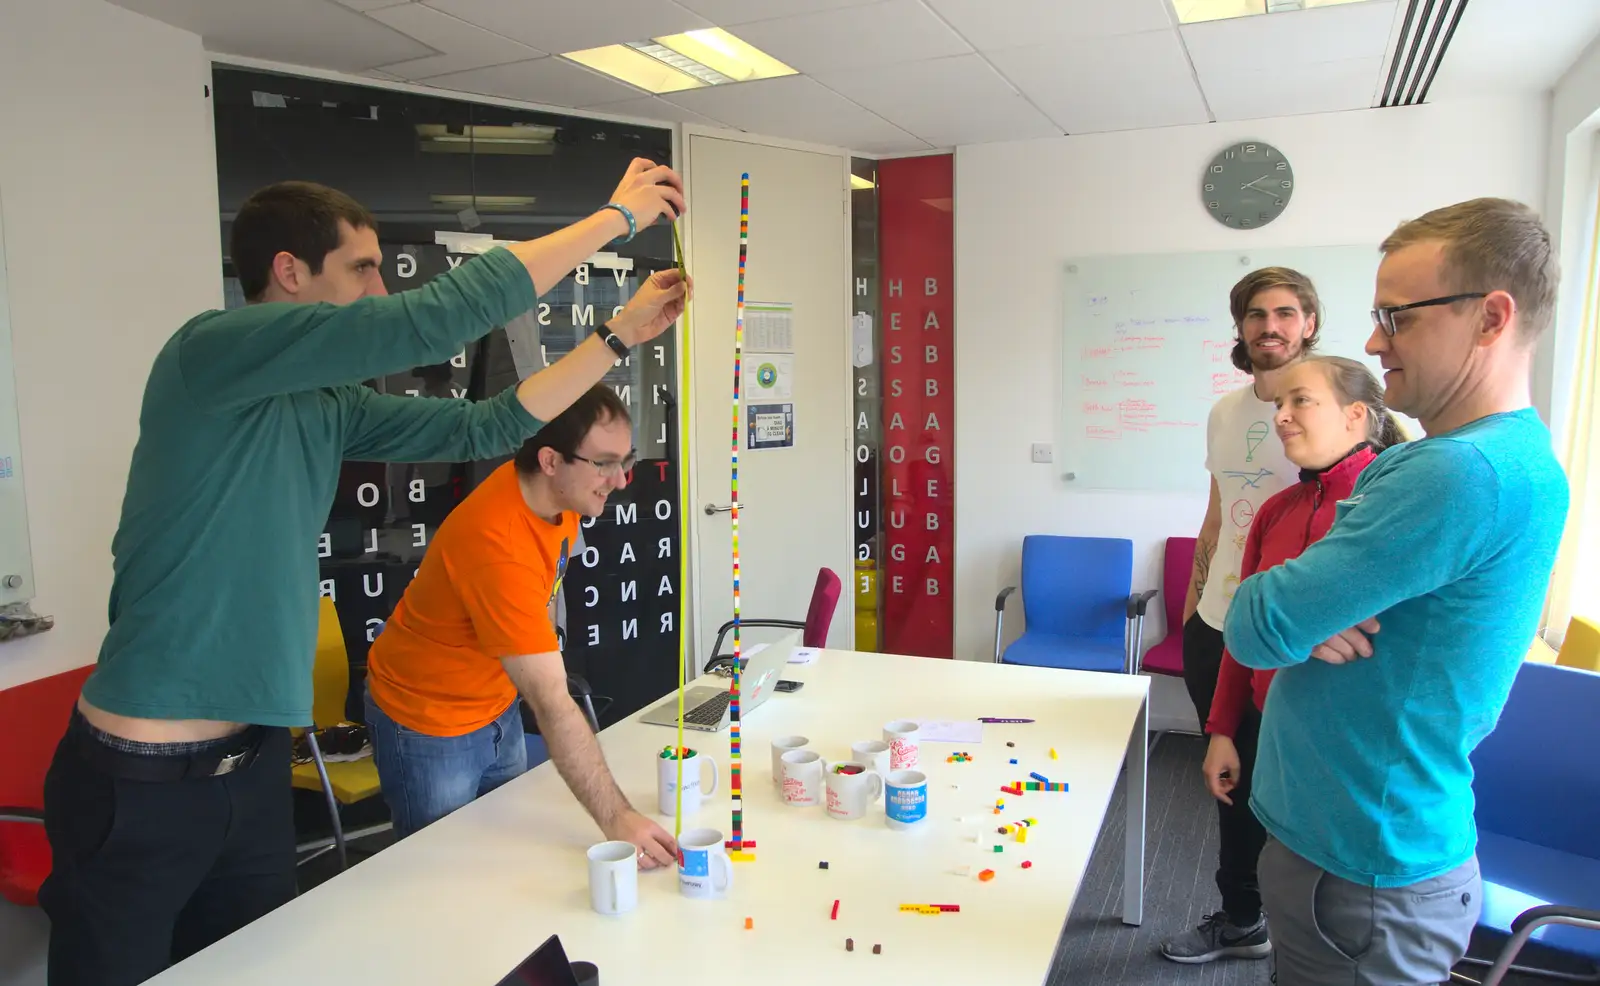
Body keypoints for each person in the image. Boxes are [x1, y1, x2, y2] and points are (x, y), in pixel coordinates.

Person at [39, 159, 690, 986]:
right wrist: (612, 219)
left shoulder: (327, 404)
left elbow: (489, 423)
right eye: (361, 267)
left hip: (253, 769)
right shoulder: (208, 352)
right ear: (289, 272)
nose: (380, 288)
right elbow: (429, 323)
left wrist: (618, 338)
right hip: (142, 778)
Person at [1225, 197, 1569, 985]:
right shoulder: (1517, 454)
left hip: (1359, 875)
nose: (1375, 341)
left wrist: (1293, 613)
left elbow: (1254, 624)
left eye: (1398, 316)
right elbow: (1285, 617)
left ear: (1490, 317)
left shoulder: (1454, 471)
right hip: (1368, 849)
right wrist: (1305, 613)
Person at [362, 385, 677, 866]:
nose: (621, 480)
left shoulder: (560, 502)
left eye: (626, 460)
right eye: (604, 463)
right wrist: (619, 819)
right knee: (445, 872)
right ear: (551, 461)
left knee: (506, 853)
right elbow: (552, 702)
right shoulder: (498, 544)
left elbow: (543, 598)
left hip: (496, 705)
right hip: (428, 724)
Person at [1199, 355, 1404, 924]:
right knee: (1268, 864)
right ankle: (1243, 927)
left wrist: (1293, 624)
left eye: (1300, 401)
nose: (1282, 416)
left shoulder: (1391, 509)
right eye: (1279, 405)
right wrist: (1222, 730)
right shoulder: (1277, 509)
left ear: (1356, 415)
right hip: (1268, 721)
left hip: (1346, 742)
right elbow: (1243, 629)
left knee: (1330, 905)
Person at [1162, 266, 1319, 963]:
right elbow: (1220, 510)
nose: (1271, 326)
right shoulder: (1226, 413)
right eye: (1257, 314)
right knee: (1228, 776)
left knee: (1290, 783)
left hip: (1295, 637)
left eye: (1286, 313)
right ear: (1241, 327)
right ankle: (1241, 918)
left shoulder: (1339, 409)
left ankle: (1313, 929)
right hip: (1219, 625)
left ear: (1309, 323)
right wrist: (1198, 603)